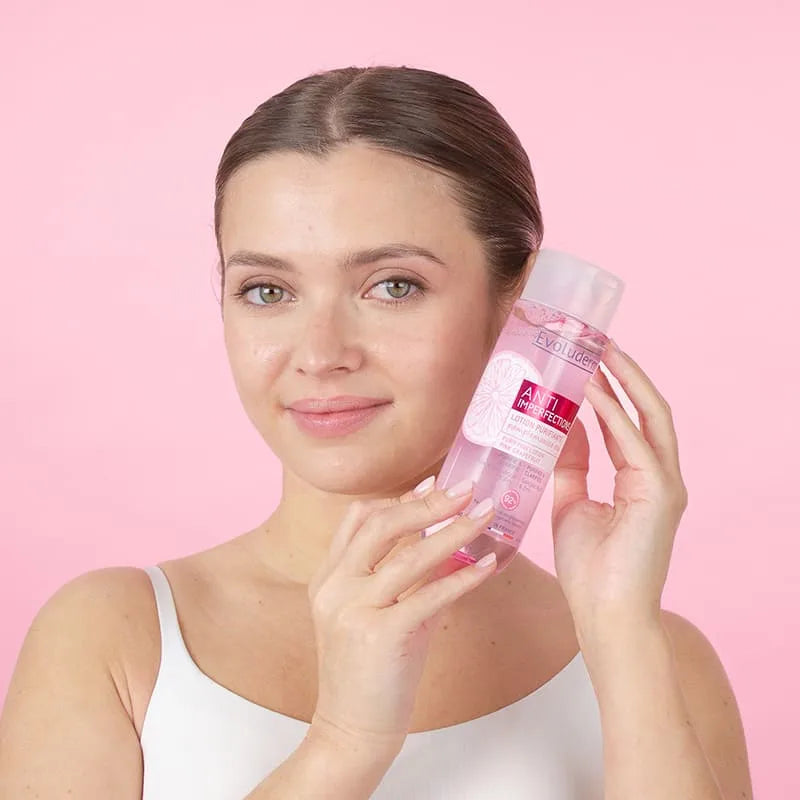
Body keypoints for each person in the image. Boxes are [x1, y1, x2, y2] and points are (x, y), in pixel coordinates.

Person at [0, 65, 753, 799]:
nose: (320, 353)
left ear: (522, 305)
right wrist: (345, 743)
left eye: (393, 286)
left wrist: (621, 643)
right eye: (267, 291)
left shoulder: (656, 658)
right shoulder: (116, 640)